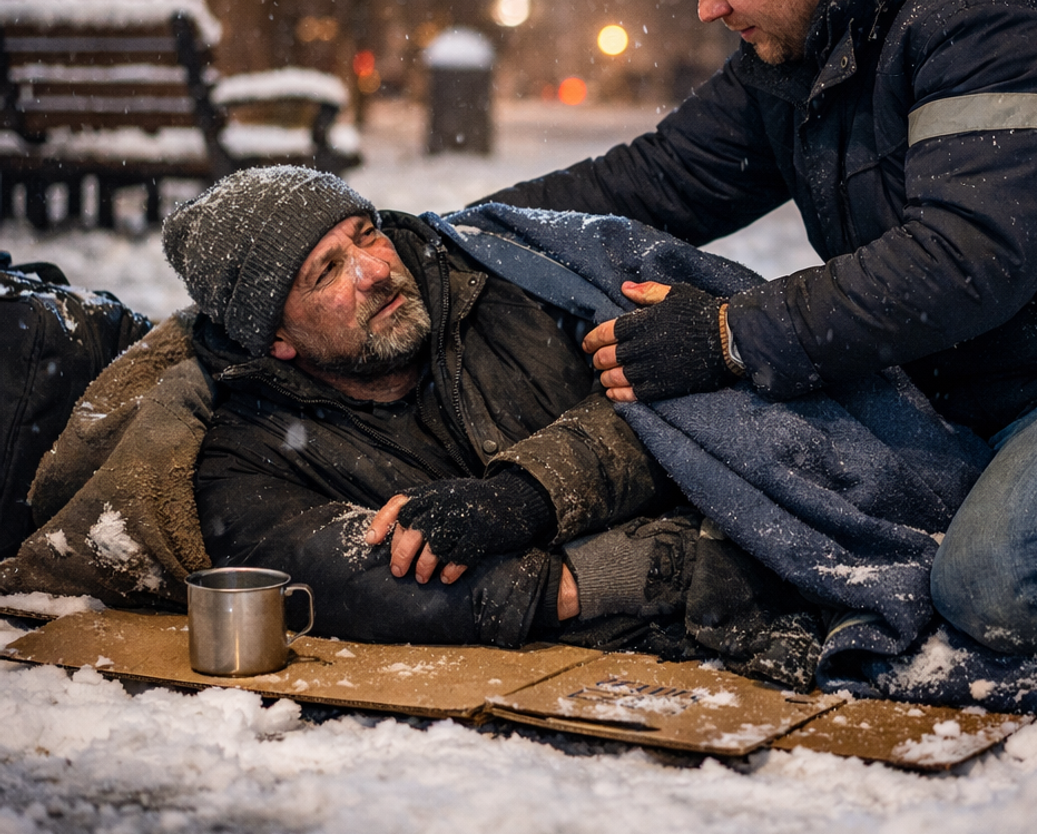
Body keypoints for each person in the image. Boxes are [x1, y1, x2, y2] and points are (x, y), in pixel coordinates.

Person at [485, 0, 1037, 658]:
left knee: (1004, 586)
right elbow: (656, 179)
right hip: (968, 383)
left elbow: (964, 260)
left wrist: (725, 334)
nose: (706, 9)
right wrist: (437, 235)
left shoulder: (1006, 11)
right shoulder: (810, 42)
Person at [161, 165, 703, 650]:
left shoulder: (500, 288)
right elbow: (355, 581)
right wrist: (604, 577)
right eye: (327, 272)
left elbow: (659, 391)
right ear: (278, 338)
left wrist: (524, 494)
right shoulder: (247, 458)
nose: (374, 270)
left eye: (367, 235)